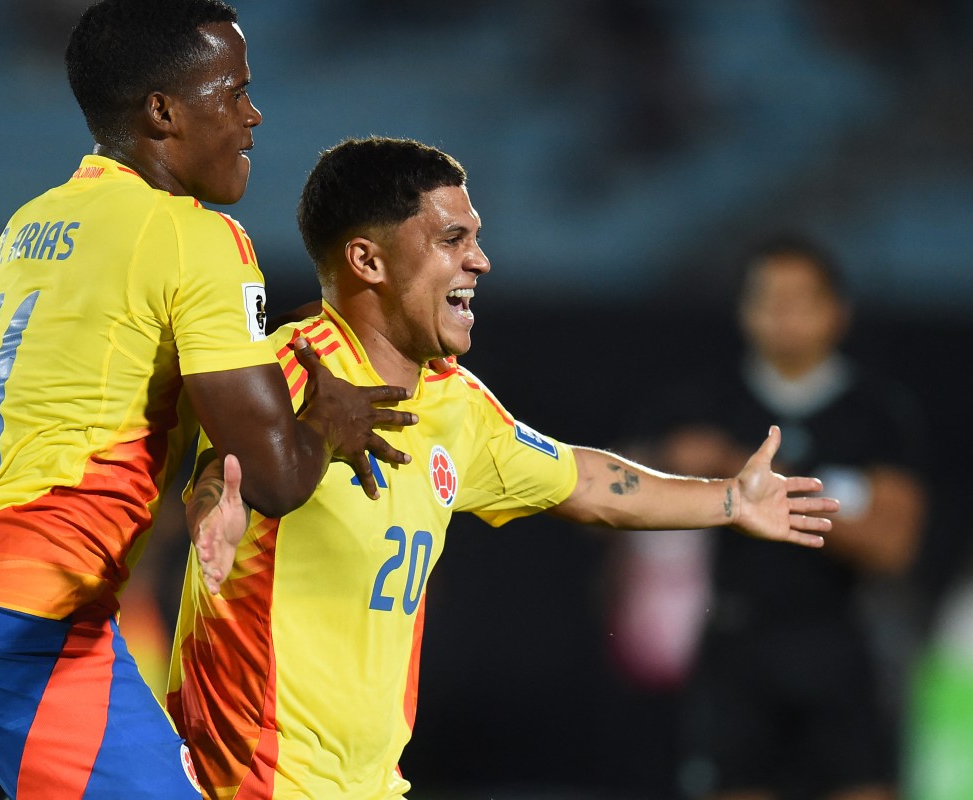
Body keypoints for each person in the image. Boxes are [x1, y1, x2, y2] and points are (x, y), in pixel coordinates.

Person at [0, 3, 417, 799]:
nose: (252, 113)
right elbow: (275, 477)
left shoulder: (29, 225)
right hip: (24, 615)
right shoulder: (194, 237)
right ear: (163, 111)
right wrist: (326, 422)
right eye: (232, 91)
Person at [163, 136, 839, 800]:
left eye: (475, 239)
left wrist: (731, 501)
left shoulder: (456, 404)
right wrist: (212, 510)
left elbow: (585, 481)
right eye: (451, 240)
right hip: (248, 778)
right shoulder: (290, 367)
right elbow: (222, 475)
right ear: (367, 259)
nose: (480, 262)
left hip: (368, 786)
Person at [636, 236, 927, 800]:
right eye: (768, 298)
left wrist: (758, 486)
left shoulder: (876, 415)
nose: (783, 315)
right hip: (736, 643)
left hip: (837, 642)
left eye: (800, 299)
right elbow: (621, 489)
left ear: (836, 310)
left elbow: (895, 547)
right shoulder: (704, 403)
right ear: (745, 310)